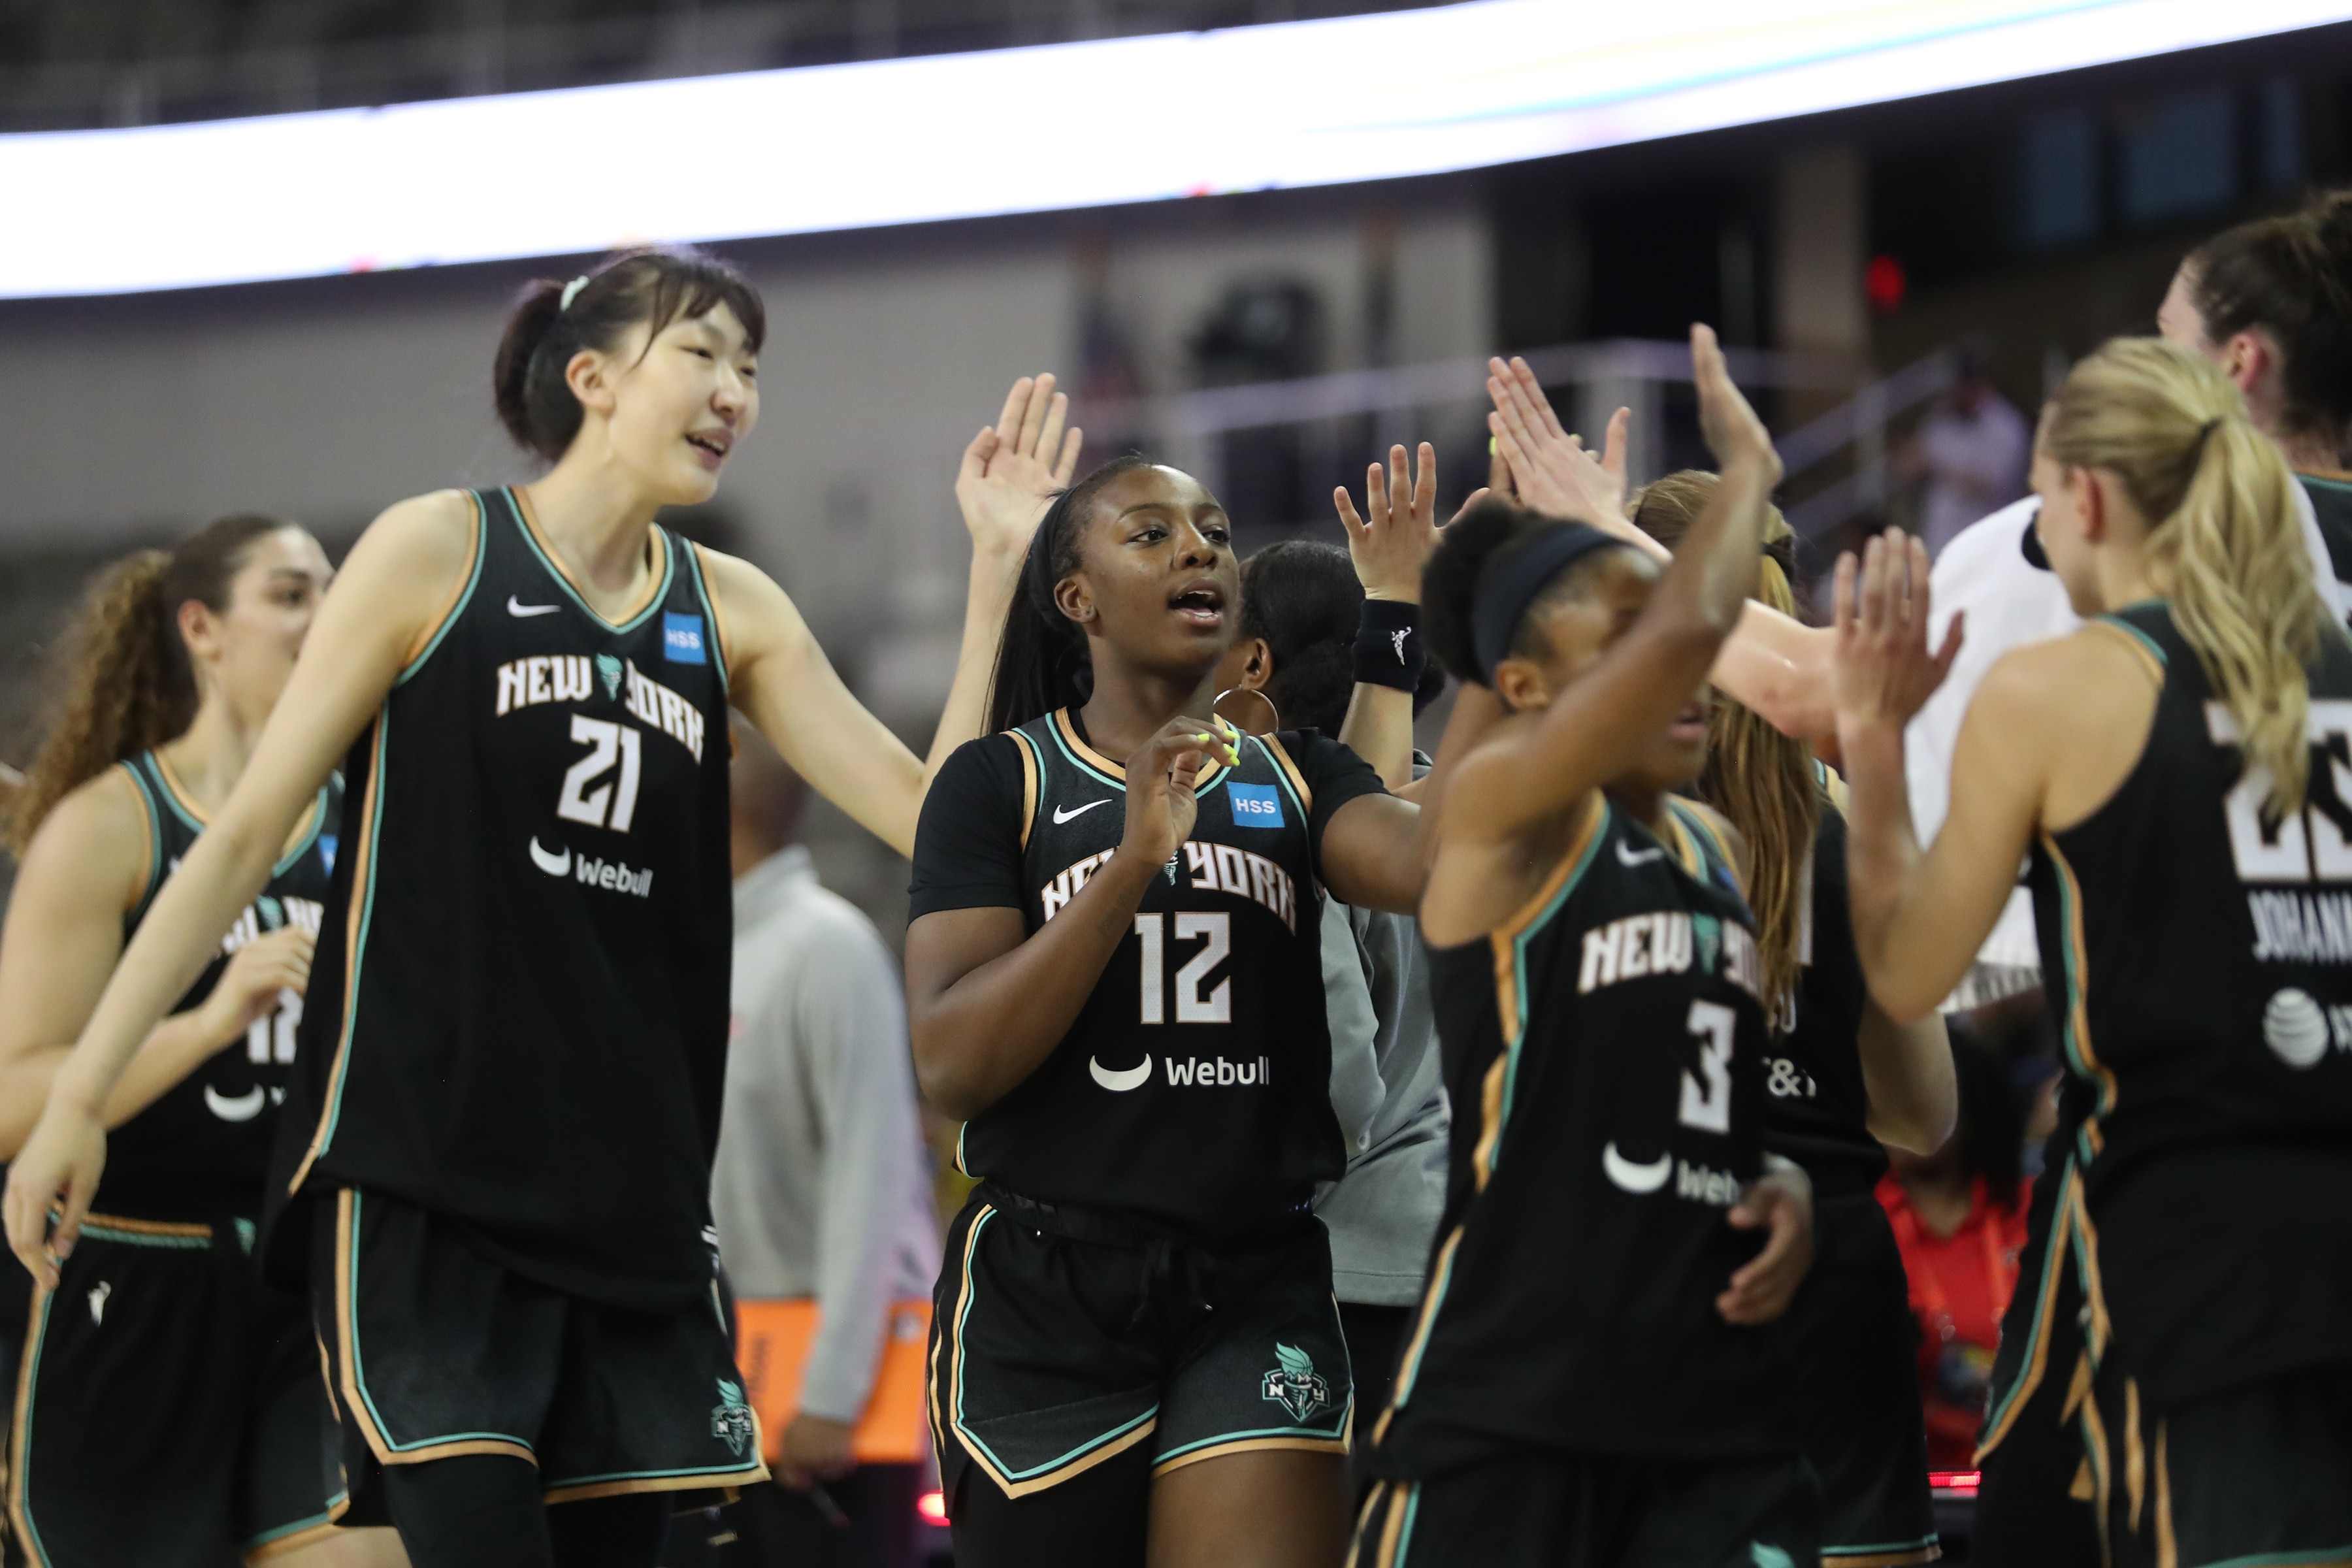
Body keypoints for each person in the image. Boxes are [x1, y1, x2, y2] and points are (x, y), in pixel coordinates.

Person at [4, 246, 1071, 1568]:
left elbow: (933, 817)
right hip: (424, 1193)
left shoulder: (729, 608)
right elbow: (234, 849)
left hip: (631, 1207)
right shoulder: (433, 550)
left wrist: (994, 575)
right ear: (593, 377)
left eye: (751, 368)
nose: (736, 390)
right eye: (703, 354)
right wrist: (73, 1101)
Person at [1833, 336, 2352, 1568]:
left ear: (2088, 498)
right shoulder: (2334, 664)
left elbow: (1907, 976)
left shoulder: (2057, 688)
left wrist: (1873, 742)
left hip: (2189, 1258)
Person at [906, 451, 1428, 1567]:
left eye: (1216, 533)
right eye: (1151, 533)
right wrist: (1133, 863)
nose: (1199, 547)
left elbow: (1445, 864)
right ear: (1076, 597)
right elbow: (953, 1065)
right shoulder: (1002, 783)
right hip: (1050, 1287)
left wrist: (1495, 648)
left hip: (1254, 1277)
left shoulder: (1299, 776)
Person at [1354, 327, 1819, 1566]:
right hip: (1515, 1399)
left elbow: (1685, 1093)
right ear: (1520, 684)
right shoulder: (1505, 808)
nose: (1679, 659)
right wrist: (1746, 478)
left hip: (1709, 1401)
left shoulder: (1715, 849)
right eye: (1618, 633)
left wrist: (1774, 1183)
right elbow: (1686, 631)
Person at [0, 515, 404, 1566]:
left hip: (304, 1284)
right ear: (202, 629)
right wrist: (206, 1025)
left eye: (332, 590)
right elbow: (10, 1102)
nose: (322, 618)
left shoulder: (365, 814)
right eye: (287, 593)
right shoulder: (111, 824)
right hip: (128, 1285)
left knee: (368, 1552)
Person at [1625, 471, 1955, 1568]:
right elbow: (1923, 1112)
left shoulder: (1597, 809)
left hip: (1657, 1257)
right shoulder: (1849, 810)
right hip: (1839, 1279)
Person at [1209, 508, 1449, 1435]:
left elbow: (1338, 1081)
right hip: (1465, 1246)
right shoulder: (1453, 813)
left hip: (1341, 1273)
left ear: (1256, 665)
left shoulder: (1274, 825)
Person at [708, 720, 938, 1568]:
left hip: (826, 1406)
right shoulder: (703, 955)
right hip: (736, 1386)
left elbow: (872, 1180)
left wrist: (833, 1392)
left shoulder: (827, 946)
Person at [1874, 1034, 2029, 1473]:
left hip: (2030, 1473)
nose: (1901, 1114)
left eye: (1919, 1094)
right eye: (1888, 1096)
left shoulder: (2036, 1212)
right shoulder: (1860, 1220)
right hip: (1905, 1483)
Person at [1903, 353, 2031, 562]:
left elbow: (1992, 487)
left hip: (1987, 546)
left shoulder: (2006, 425)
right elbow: (1915, 473)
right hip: (1940, 540)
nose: (1952, 395)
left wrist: (1935, 467)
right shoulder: (1939, 421)